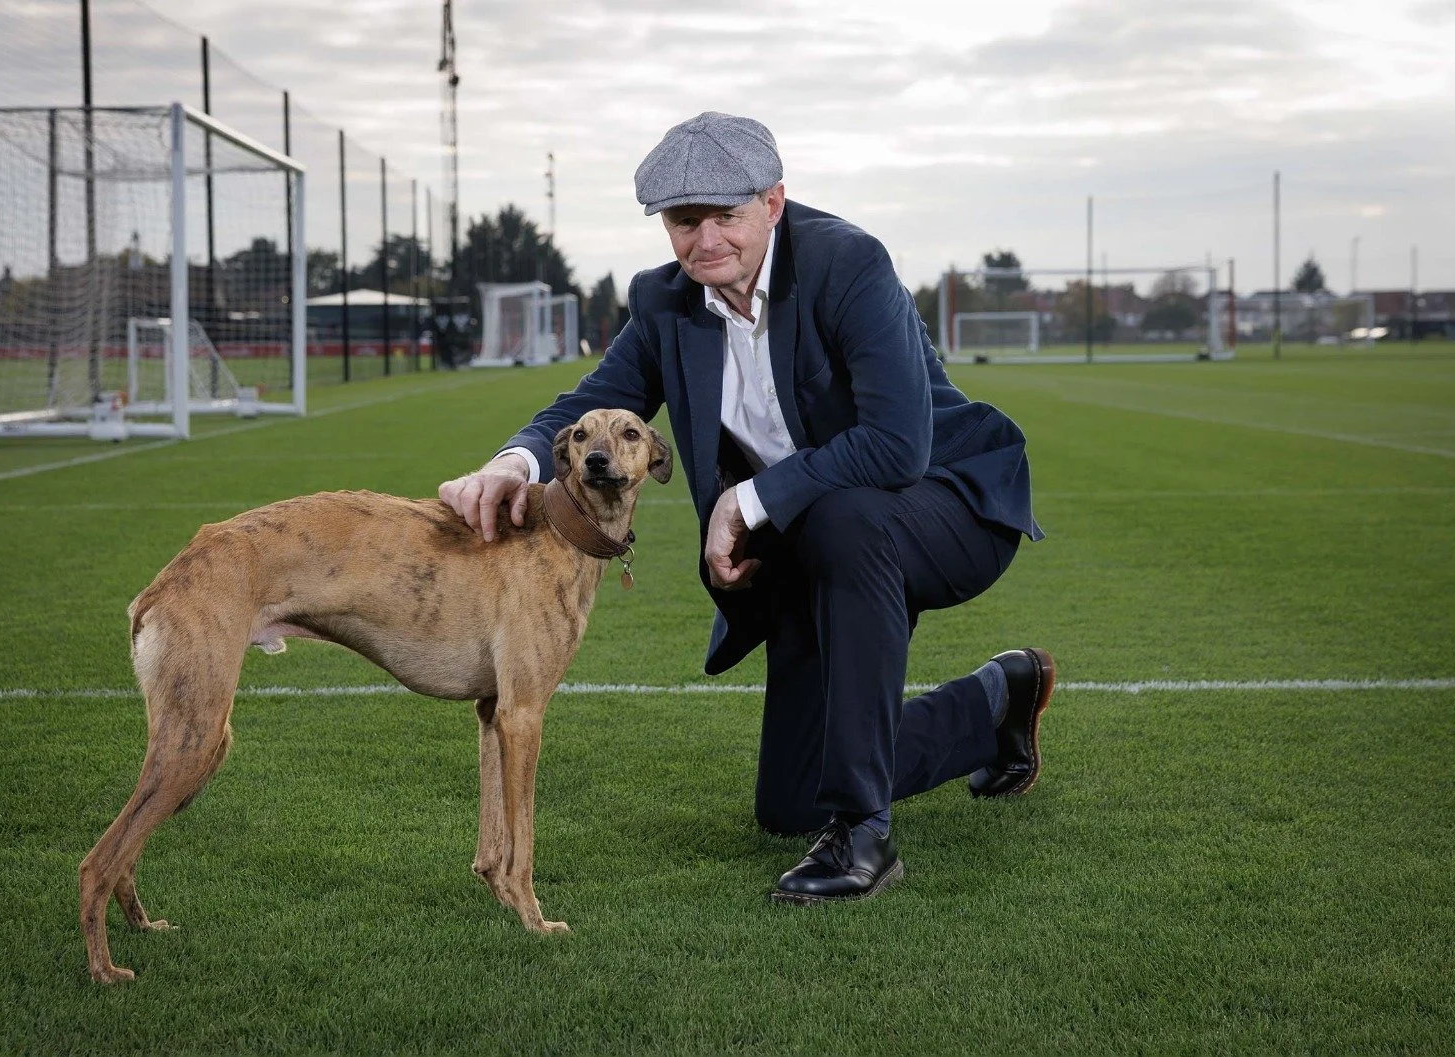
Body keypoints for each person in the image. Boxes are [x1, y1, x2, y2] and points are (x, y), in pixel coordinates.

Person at [439, 112, 1051, 905]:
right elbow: (593, 401)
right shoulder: (663, 302)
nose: (704, 241)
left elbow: (899, 443)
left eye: (725, 215)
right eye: (684, 222)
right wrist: (509, 462)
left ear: (774, 200)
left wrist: (746, 500)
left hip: (948, 502)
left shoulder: (848, 263)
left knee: (843, 515)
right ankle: (993, 705)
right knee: (792, 801)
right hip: (814, 546)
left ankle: (865, 833)